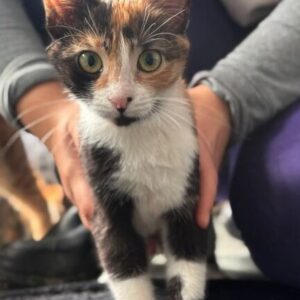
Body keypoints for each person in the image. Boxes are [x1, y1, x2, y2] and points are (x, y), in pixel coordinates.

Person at [0, 0, 299, 288]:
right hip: (97, 54)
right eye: (91, 63)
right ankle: (118, 212)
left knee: (286, 219)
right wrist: (50, 114)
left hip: (272, 45)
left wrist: (226, 97)